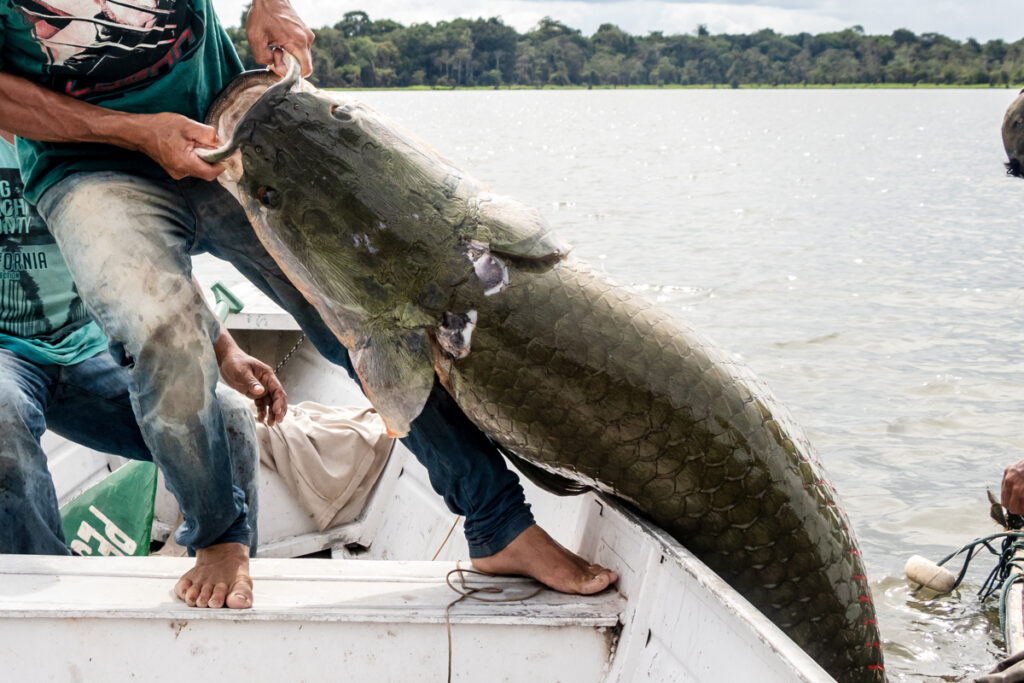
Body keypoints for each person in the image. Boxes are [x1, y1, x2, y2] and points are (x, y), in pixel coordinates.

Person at [0, 0, 617, 607]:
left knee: (364, 320)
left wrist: (270, 3)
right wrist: (135, 130)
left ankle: (499, 525)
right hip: (86, 165)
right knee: (162, 332)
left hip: (222, 126)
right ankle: (218, 538)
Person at [0, 132, 283, 608]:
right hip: (8, 356)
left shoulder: (78, 135)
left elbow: (150, 259)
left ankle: (228, 572)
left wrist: (226, 351)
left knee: (230, 417)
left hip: (93, 348)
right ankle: (40, 596)